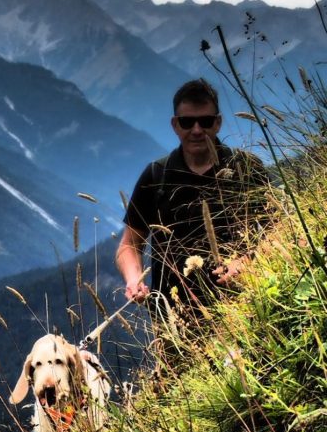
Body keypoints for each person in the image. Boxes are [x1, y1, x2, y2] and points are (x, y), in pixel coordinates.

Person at [116, 79, 270, 319]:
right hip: (175, 321)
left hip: (247, 311)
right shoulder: (156, 176)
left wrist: (247, 262)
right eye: (187, 122)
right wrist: (134, 279)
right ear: (175, 125)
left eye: (205, 121)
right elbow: (129, 244)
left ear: (217, 123)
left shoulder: (246, 169)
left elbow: (281, 232)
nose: (197, 130)